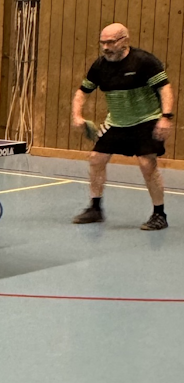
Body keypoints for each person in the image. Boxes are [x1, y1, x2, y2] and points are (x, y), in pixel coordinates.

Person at [71, 23, 175, 230]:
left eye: (111, 42)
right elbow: (82, 92)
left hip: (146, 120)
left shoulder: (144, 61)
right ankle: (95, 208)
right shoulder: (100, 66)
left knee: (147, 165)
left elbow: (165, 89)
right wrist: (77, 115)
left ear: (124, 40)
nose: (106, 47)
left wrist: (166, 117)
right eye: (103, 43)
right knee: (96, 159)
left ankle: (159, 214)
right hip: (117, 122)